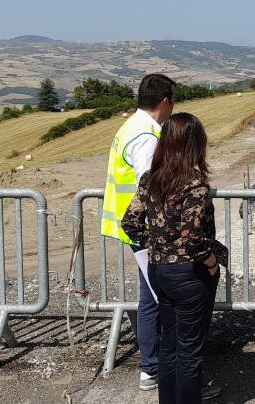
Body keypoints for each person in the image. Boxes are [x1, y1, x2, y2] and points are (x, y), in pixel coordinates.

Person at [122, 113, 228, 404]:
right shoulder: (195, 184)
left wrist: (156, 244)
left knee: (169, 345)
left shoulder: (150, 179)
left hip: (158, 271)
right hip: (189, 275)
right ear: (195, 145)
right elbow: (194, 239)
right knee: (189, 350)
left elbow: (129, 223)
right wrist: (210, 263)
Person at [100, 73, 175, 391]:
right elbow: (149, 185)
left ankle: (152, 368)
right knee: (163, 297)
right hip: (146, 228)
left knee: (151, 296)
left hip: (132, 225)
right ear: (166, 101)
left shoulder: (130, 126)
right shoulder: (147, 134)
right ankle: (164, 371)